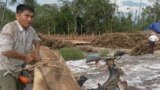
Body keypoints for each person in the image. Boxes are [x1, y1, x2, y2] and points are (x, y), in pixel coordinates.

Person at [0, 4, 41, 90]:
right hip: (6, 68)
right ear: (17, 16)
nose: (29, 19)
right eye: (26, 16)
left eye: (31, 16)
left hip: (19, 68)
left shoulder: (31, 30)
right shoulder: (10, 28)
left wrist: (37, 53)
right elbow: (5, 51)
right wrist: (25, 57)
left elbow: (37, 40)